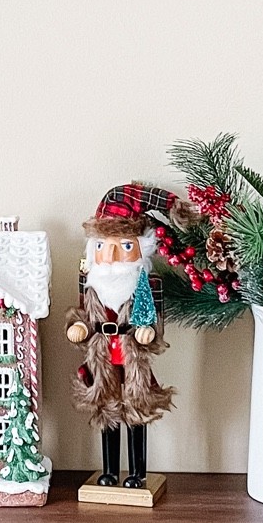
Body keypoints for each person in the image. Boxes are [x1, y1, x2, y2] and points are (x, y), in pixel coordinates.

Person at [66, 187, 177, 490]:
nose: (113, 257)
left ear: (141, 248)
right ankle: (110, 471)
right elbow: (82, 315)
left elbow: (155, 323)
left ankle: (138, 473)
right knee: (107, 412)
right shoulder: (91, 284)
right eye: (104, 246)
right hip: (103, 362)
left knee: (135, 412)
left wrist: (148, 331)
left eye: (125, 246)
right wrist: (79, 327)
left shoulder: (146, 285)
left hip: (132, 360)